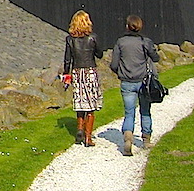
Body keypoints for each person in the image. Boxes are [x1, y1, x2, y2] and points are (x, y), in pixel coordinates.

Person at [109, 14, 160, 156]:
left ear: (127, 26)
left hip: (127, 81)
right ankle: (146, 139)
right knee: (145, 110)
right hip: (144, 81)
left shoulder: (120, 42)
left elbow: (114, 63)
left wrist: (120, 72)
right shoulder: (145, 41)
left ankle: (128, 137)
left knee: (129, 112)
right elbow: (155, 58)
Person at [63, 10, 103, 146]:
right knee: (91, 106)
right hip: (90, 71)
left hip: (77, 72)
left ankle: (79, 129)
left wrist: (66, 75)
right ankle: (88, 137)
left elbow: (67, 60)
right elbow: (100, 54)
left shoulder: (70, 39)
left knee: (80, 102)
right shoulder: (92, 38)